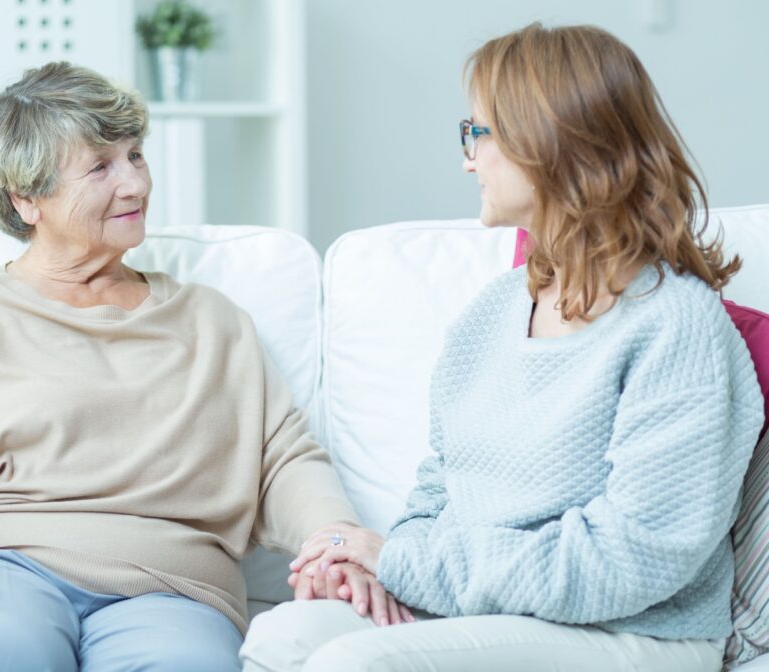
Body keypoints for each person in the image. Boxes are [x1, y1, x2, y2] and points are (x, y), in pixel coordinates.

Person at [0, 62, 396, 672]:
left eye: (135, 155)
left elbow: (281, 460)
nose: (134, 184)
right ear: (26, 199)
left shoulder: (211, 321)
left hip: (172, 590)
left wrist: (333, 537)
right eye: (100, 167)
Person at [239, 23, 764, 672]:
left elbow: (635, 559)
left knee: (353, 665)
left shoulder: (676, 325)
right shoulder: (490, 313)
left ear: (548, 142)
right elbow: (439, 486)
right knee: (280, 637)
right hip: (483, 608)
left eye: (477, 133)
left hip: (635, 632)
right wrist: (382, 571)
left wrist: (404, 562)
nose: (467, 160)